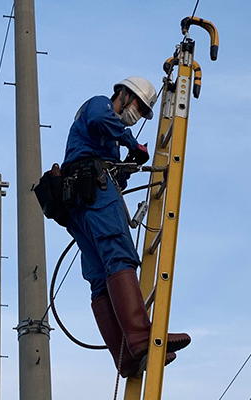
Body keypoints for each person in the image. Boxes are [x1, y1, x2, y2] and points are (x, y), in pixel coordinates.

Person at [61, 77, 191, 377]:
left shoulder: (104, 141)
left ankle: (125, 356)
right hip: (94, 192)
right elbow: (100, 118)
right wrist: (133, 143)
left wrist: (129, 165)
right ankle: (140, 337)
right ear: (124, 93)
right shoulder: (99, 105)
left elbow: (116, 175)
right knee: (119, 254)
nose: (137, 113)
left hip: (79, 204)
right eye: (138, 105)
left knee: (99, 276)